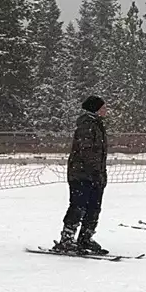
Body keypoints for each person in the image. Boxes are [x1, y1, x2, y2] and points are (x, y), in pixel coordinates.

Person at [54, 95, 109, 255]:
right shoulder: (86, 126)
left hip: (95, 175)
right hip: (82, 175)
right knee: (78, 206)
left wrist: (100, 175)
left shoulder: (97, 125)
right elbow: (87, 152)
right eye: (103, 107)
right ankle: (67, 238)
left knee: (94, 207)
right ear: (95, 109)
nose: (106, 110)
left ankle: (85, 237)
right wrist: (93, 171)